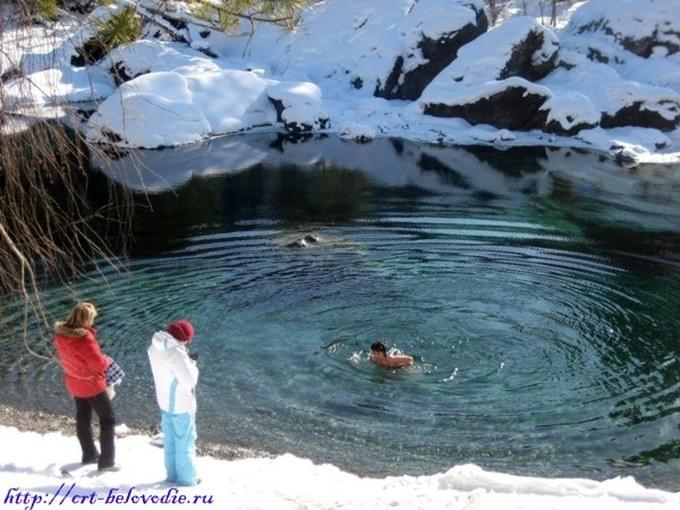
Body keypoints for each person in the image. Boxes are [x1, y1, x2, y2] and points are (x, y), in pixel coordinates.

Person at [54, 302, 119, 471]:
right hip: (91, 385)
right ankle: (106, 462)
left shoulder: (61, 335)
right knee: (108, 420)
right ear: (86, 319)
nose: (93, 323)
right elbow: (98, 364)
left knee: (83, 417)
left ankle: (89, 454)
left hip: (75, 382)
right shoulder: (84, 338)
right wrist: (106, 360)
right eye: (92, 319)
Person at [147, 320, 199, 486]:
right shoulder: (176, 354)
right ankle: (186, 480)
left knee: (170, 441)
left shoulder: (154, 347)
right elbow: (189, 381)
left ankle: (171, 476)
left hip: (164, 402)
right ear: (183, 338)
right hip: (181, 405)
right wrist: (192, 366)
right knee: (185, 442)